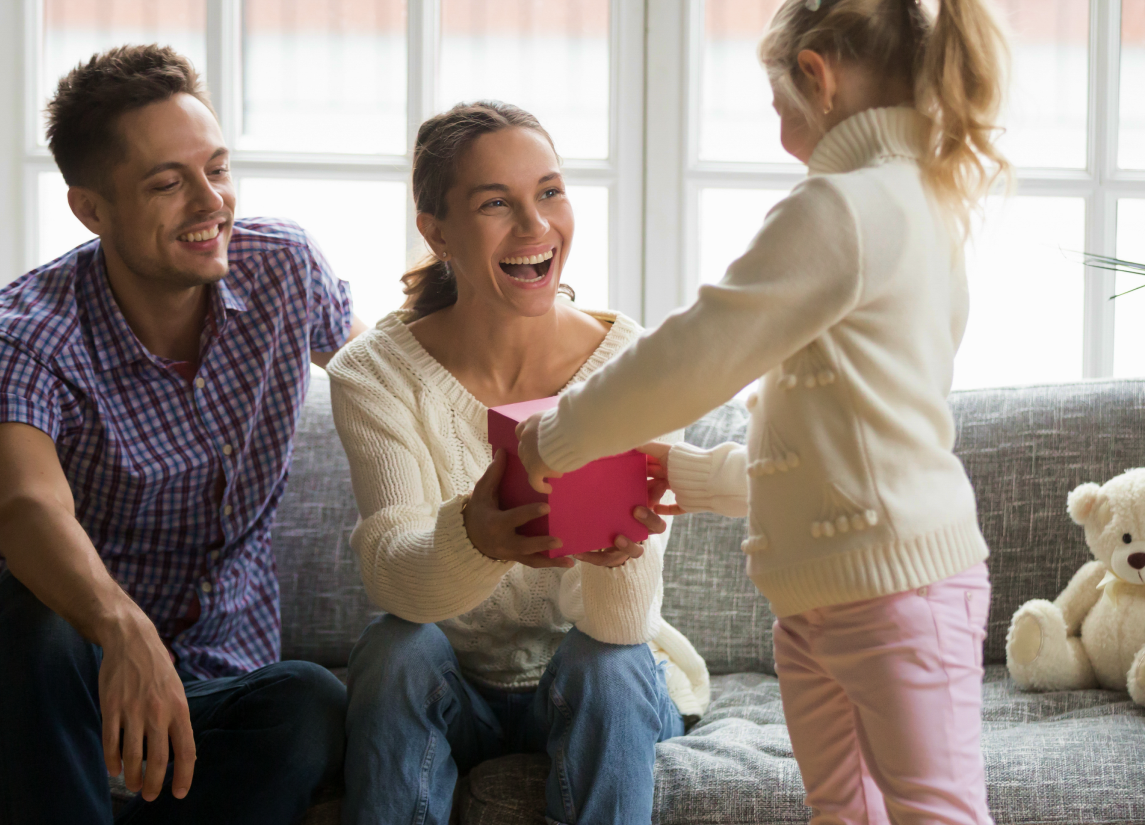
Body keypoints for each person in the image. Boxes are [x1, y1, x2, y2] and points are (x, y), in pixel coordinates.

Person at [517, 0, 1010, 825]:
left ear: (816, 77)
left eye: (779, 100)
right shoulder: (920, 203)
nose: (780, 124)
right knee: (843, 813)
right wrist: (700, 476)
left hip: (894, 593)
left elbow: (701, 351)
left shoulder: (844, 208)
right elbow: (852, 429)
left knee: (935, 813)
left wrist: (560, 438)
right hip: (827, 598)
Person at [0, 44, 367, 824]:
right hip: (66, 686)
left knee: (311, 704)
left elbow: (390, 384)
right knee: (31, 620)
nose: (211, 203)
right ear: (92, 210)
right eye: (168, 183)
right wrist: (121, 627)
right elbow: (26, 506)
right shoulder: (30, 334)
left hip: (218, 691)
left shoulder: (281, 269)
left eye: (218, 169)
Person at [326, 101, 709, 825]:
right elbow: (393, 573)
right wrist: (473, 536)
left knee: (608, 663)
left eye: (550, 193)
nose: (536, 227)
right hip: (453, 686)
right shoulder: (374, 374)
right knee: (394, 647)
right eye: (496, 203)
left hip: (598, 674)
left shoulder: (637, 366)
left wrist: (618, 558)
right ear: (436, 232)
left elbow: (620, 632)